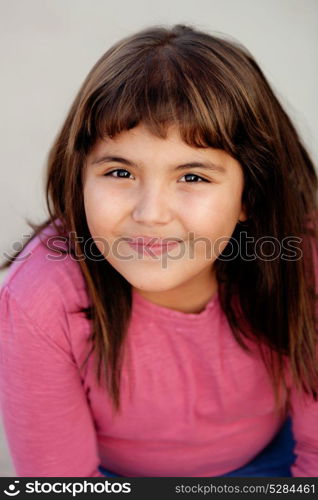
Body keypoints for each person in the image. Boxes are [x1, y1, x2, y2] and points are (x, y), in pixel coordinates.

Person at [0, 24, 317, 478]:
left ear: (250, 193)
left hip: (276, 462)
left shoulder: (303, 264)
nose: (150, 214)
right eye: (119, 173)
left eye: (192, 177)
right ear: (80, 177)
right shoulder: (40, 299)